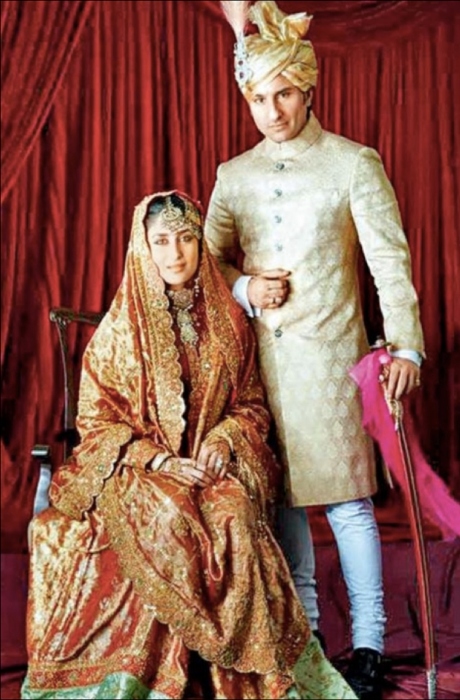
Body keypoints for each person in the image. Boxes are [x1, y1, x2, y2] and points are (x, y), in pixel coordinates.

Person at [21, 190, 357, 700]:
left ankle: (248, 673)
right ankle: (153, 674)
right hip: (138, 470)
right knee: (171, 514)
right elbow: (96, 419)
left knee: (233, 512)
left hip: (210, 468)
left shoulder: (229, 323)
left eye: (185, 239)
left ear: (201, 243)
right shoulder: (121, 328)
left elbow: (251, 404)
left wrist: (224, 438)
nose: (175, 253)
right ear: (144, 247)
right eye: (161, 241)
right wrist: (157, 458)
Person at [205, 3, 425, 699]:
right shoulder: (233, 175)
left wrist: (407, 348)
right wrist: (244, 288)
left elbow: (389, 264)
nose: (271, 112)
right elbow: (204, 266)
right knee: (283, 507)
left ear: (308, 89)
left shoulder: (352, 163)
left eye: (284, 95)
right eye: (258, 99)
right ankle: (309, 643)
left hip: (333, 366)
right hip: (258, 369)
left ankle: (369, 645)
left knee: (349, 506)